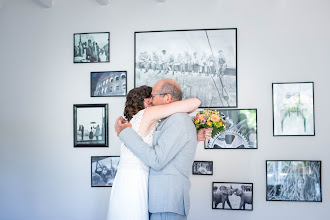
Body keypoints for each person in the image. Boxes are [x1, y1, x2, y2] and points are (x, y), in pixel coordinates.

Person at [114, 79, 212, 220]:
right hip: (161, 201)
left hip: (166, 201)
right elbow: (175, 152)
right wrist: (195, 139)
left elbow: (157, 160)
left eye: (153, 96)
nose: (151, 101)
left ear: (167, 97)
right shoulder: (170, 119)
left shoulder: (178, 119)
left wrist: (125, 133)